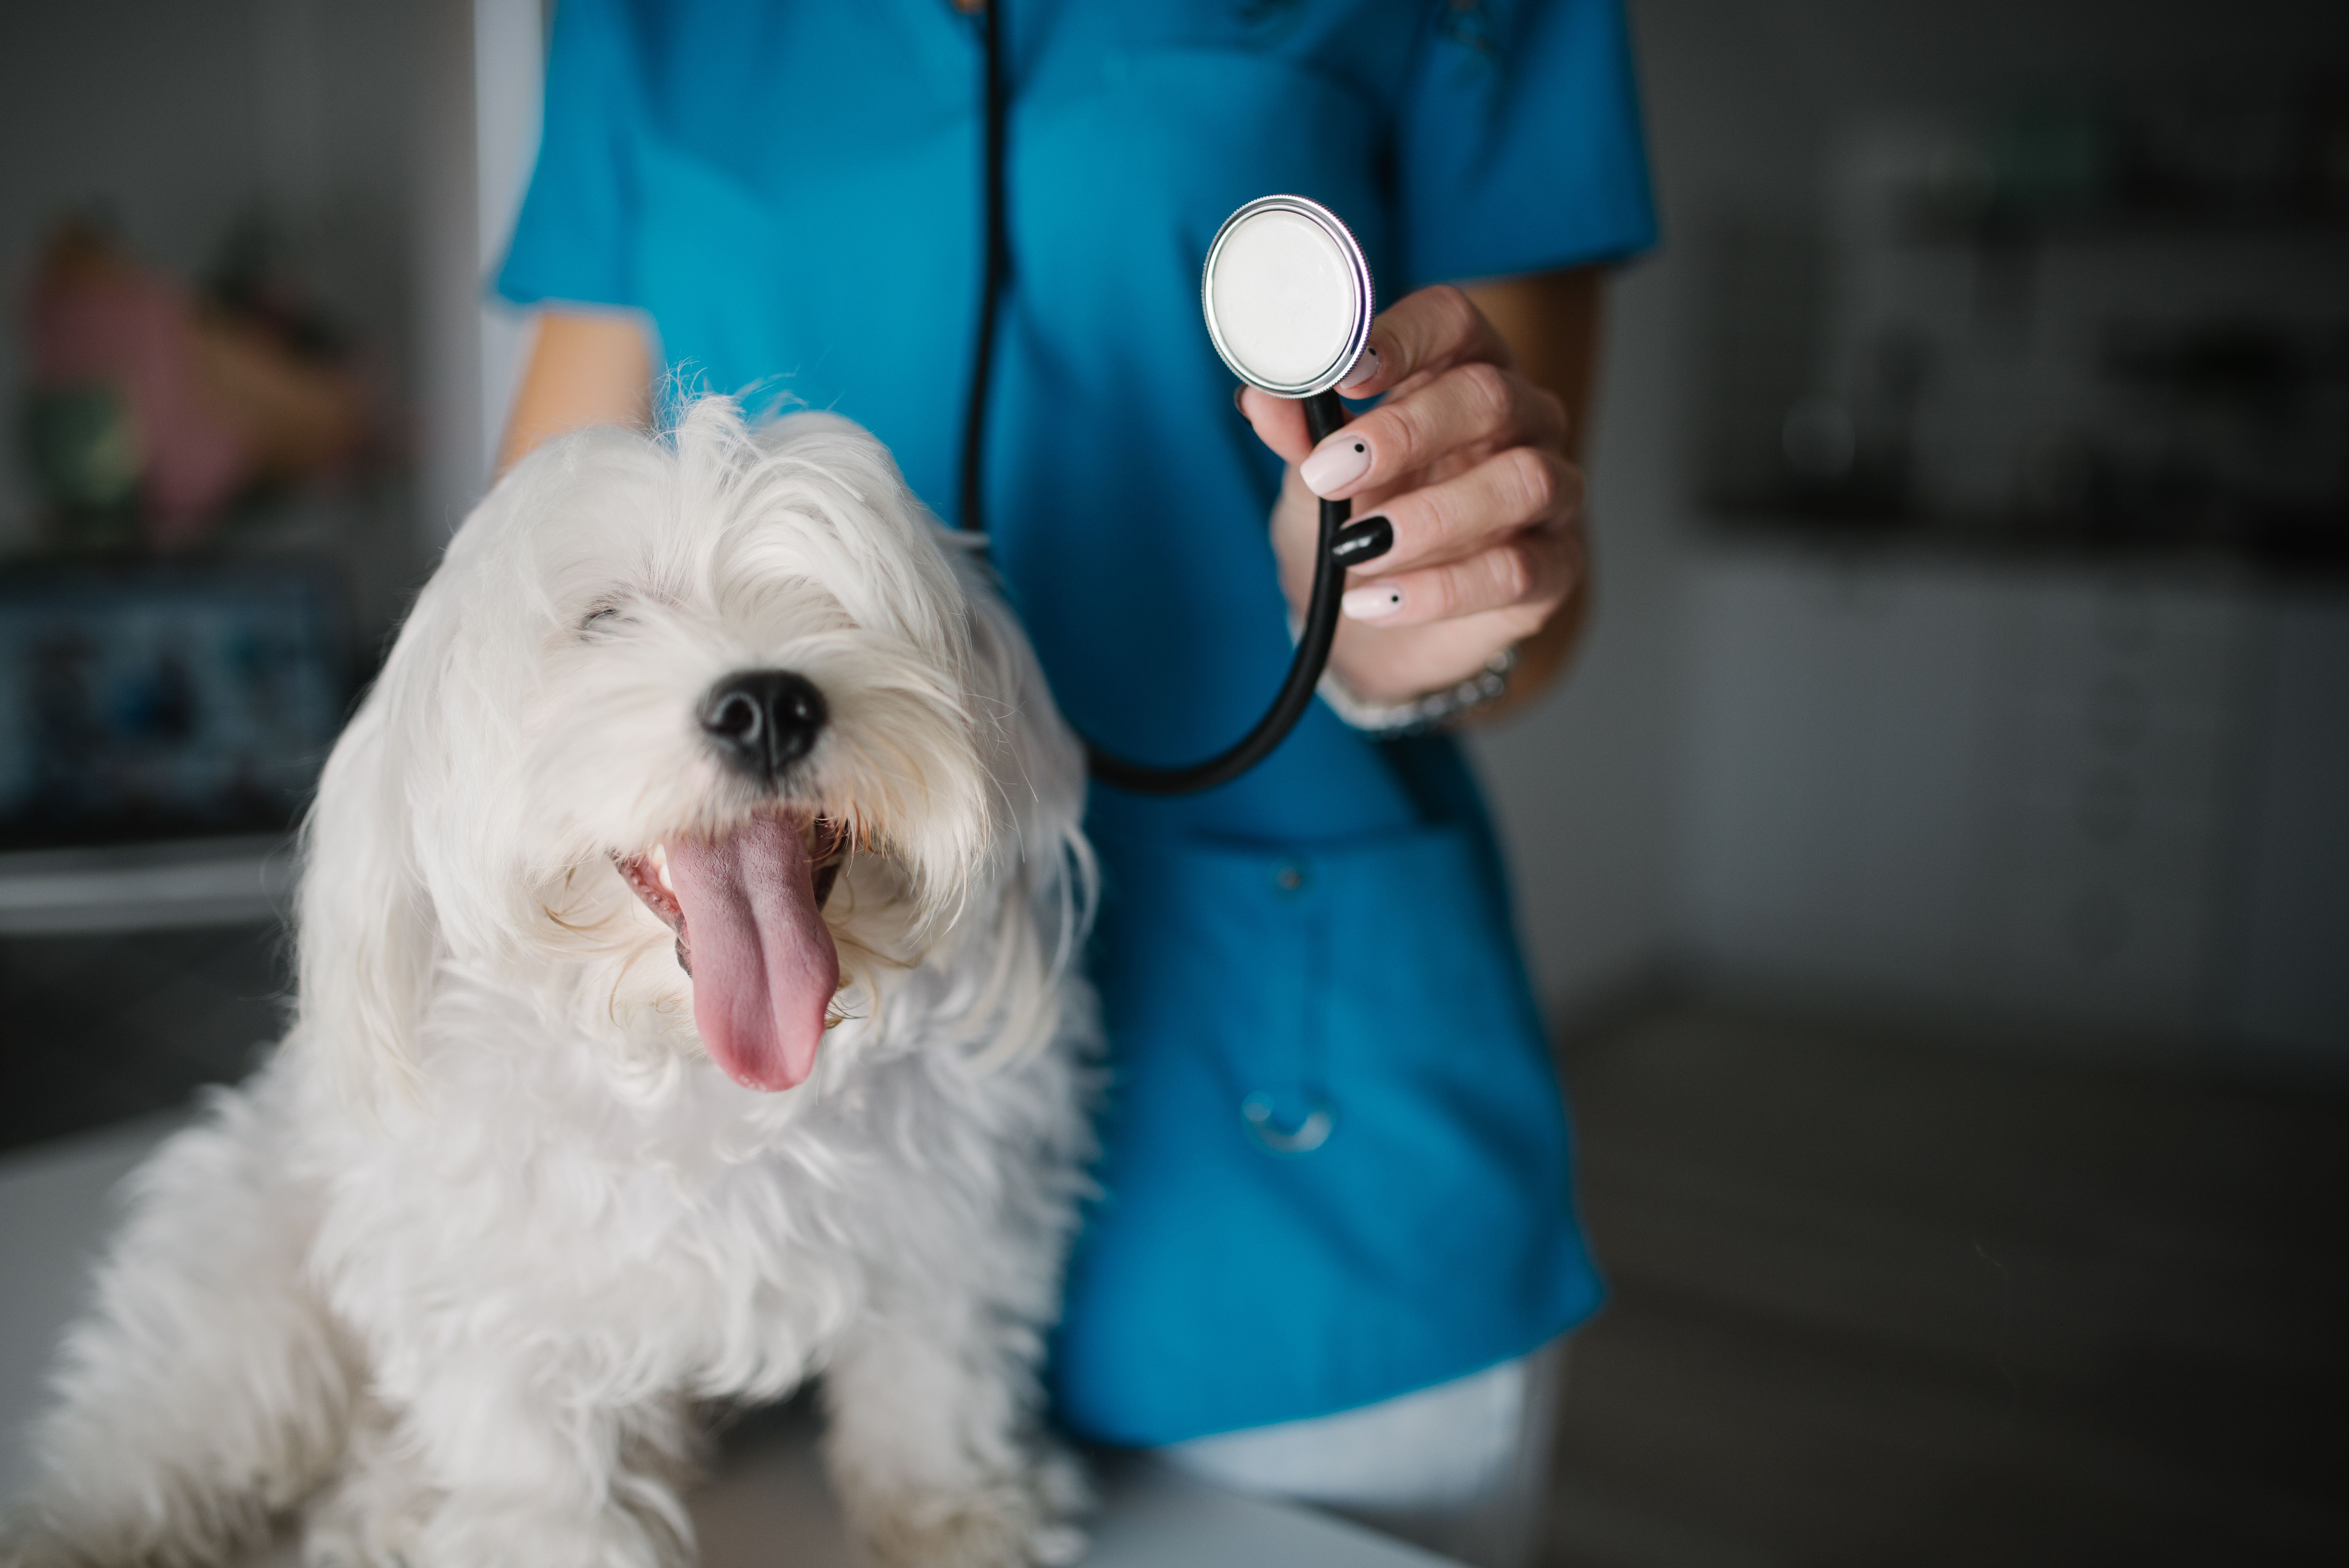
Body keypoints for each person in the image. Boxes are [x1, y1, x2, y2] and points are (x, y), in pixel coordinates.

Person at [494, 3, 1655, 1562]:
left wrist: (1382, 599)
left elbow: (1520, 594)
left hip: (1279, 1152)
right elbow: (525, 583)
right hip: (777, 1188)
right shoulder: (645, 23)